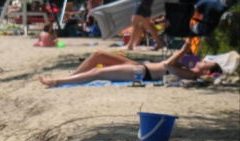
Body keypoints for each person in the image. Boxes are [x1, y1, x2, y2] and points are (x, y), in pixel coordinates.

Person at [38, 42, 223, 87]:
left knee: (96, 72)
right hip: (142, 66)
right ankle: (71, 77)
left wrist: (183, 51)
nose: (202, 61)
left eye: (206, 62)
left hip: (140, 73)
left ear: (207, 70)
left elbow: (167, 63)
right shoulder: (190, 70)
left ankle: (58, 81)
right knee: (99, 55)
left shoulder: (192, 75)